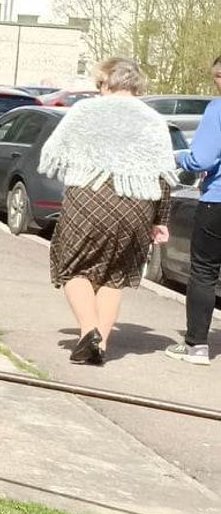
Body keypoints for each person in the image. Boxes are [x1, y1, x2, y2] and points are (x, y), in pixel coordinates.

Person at [36, 57, 177, 365]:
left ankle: (89, 332)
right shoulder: (152, 119)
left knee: (72, 266)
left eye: (99, 83)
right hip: (136, 205)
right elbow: (163, 175)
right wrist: (160, 220)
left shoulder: (85, 111)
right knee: (114, 276)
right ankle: (100, 347)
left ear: (107, 82)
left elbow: (53, 153)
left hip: (88, 198)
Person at [166, 55, 221, 365]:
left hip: (218, 201)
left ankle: (196, 345)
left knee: (204, 271)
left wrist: (178, 158)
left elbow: (202, 160)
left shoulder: (218, 109)